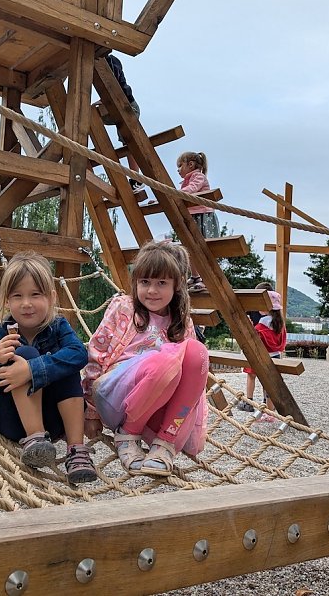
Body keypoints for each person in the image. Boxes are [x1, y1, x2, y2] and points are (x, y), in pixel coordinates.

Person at [82, 240, 209, 477]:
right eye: (145, 282)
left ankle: (165, 443)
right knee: (166, 360)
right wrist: (90, 412)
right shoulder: (124, 307)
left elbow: (194, 381)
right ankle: (128, 434)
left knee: (197, 352)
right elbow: (96, 356)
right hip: (116, 397)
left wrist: (195, 427)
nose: (152, 290)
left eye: (161, 283)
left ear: (177, 286)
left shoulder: (182, 322)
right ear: (135, 283)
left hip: (157, 406)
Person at [0, 252, 96, 484]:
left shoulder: (58, 327)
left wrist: (32, 370)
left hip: (54, 420)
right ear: (7, 301)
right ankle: (34, 438)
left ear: (51, 297)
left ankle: (76, 450)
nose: (26, 303)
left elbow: (80, 354)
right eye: (17, 296)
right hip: (13, 422)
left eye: (35, 294)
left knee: (65, 363)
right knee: (25, 353)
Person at [94, 54, 143, 192]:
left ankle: (136, 178)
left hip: (127, 105)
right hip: (116, 105)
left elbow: (114, 84)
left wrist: (103, 100)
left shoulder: (109, 60)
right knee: (126, 141)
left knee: (128, 141)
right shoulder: (103, 60)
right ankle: (135, 178)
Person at [237, 285, 287, 415]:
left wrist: (248, 325)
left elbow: (253, 337)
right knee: (269, 384)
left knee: (251, 376)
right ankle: (270, 410)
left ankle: (249, 401)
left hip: (261, 356)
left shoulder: (263, 322)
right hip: (275, 356)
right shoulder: (279, 323)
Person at [177, 151, 220, 292]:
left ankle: (205, 278)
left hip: (202, 216)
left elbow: (192, 189)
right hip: (193, 216)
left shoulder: (198, 176)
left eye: (180, 166)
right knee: (189, 247)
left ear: (190, 164)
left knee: (202, 247)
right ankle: (196, 276)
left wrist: (174, 194)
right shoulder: (186, 181)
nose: (178, 170)